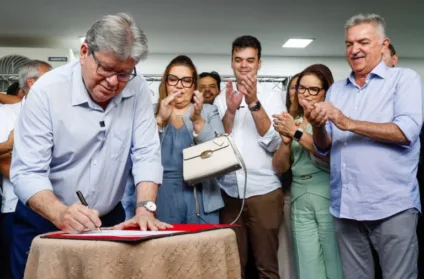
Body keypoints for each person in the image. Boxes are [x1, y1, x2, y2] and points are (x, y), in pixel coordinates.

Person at [10, 13, 171, 279]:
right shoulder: (46, 91)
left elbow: (146, 153)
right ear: (84, 51)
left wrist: (145, 208)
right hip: (43, 220)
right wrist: (61, 213)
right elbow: (27, 173)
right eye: (107, 69)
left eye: (123, 73)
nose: (113, 83)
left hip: (110, 220)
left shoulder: (138, 88)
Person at [304, 13, 422, 279]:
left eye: (363, 42)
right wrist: (318, 125)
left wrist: (346, 121)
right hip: (345, 208)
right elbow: (325, 147)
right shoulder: (336, 90)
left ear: (383, 44)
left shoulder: (404, 80)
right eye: (349, 43)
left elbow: (406, 132)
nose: (354, 49)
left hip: (392, 207)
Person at [214, 35, 285, 279]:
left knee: (266, 266)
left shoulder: (273, 96)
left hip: (263, 191)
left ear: (259, 64)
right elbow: (217, 142)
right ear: (232, 62)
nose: (244, 65)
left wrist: (253, 102)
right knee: (233, 266)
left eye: (250, 60)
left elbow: (274, 142)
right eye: (238, 59)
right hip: (228, 192)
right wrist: (231, 111)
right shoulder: (221, 97)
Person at [273, 64, 342, 279]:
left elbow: (329, 155)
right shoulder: (292, 122)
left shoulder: (330, 121)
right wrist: (285, 142)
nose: (306, 94)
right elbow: (279, 166)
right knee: (306, 263)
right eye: (302, 88)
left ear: (326, 92)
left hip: (326, 194)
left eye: (314, 89)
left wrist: (295, 133)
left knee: (334, 261)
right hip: (299, 194)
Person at [155, 55, 224, 224]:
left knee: (203, 249)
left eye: (186, 80)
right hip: (161, 196)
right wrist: (159, 120)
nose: (179, 85)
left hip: (202, 195)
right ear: (166, 83)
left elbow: (220, 156)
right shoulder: (151, 112)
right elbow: (140, 154)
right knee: (165, 249)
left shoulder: (208, 111)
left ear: (194, 85)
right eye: (173, 79)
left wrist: (199, 121)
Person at [0, 60, 51, 279]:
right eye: (49, 79)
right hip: (16, 206)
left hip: (56, 208)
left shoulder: (56, 112)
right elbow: (4, 162)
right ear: (31, 82)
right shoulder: (7, 114)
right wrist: (38, 191)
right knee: (19, 270)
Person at [276, 73, 299, 279]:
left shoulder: (317, 120)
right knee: (286, 248)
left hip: (315, 192)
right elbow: (278, 164)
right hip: (286, 191)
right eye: (293, 87)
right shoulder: (281, 118)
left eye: (301, 87)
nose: (298, 92)